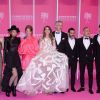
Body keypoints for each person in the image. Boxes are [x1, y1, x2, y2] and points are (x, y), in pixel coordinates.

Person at [16, 26, 69, 95]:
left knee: (52, 70)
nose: (47, 31)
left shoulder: (53, 38)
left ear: (50, 31)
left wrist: (52, 54)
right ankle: (42, 87)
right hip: (43, 55)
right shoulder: (41, 38)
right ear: (44, 31)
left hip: (51, 55)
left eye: (48, 29)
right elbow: (40, 49)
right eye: (46, 29)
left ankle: (50, 88)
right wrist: (40, 55)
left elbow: (54, 48)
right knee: (43, 71)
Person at [2, 25, 23, 97]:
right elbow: (5, 50)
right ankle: (8, 88)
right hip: (10, 58)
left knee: (16, 75)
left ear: (17, 33)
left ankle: (14, 89)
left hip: (16, 58)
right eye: (13, 31)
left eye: (15, 31)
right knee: (15, 74)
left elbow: (20, 49)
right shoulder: (6, 39)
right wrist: (4, 60)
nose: (14, 32)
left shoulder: (18, 39)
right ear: (10, 32)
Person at [77, 27, 94, 94]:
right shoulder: (78, 40)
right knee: (82, 73)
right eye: (86, 31)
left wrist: (93, 57)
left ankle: (90, 88)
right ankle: (82, 87)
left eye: (89, 31)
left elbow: (95, 50)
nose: (88, 32)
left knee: (90, 74)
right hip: (82, 59)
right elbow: (77, 50)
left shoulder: (93, 40)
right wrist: (78, 57)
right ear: (83, 32)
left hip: (90, 60)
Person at [66, 28, 78, 92]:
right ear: (68, 33)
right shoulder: (65, 41)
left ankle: (72, 86)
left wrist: (77, 57)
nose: (72, 34)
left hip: (74, 60)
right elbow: (63, 50)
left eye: (73, 33)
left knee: (73, 73)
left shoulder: (77, 40)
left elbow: (78, 50)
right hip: (67, 60)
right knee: (66, 73)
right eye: (71, 33)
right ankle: (66, 86)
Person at [93, 25, 100, 93]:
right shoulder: (95, 37)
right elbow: (93, 48)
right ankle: (99, 87)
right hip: (98, 58)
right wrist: (94, 56)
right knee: (98, 73)